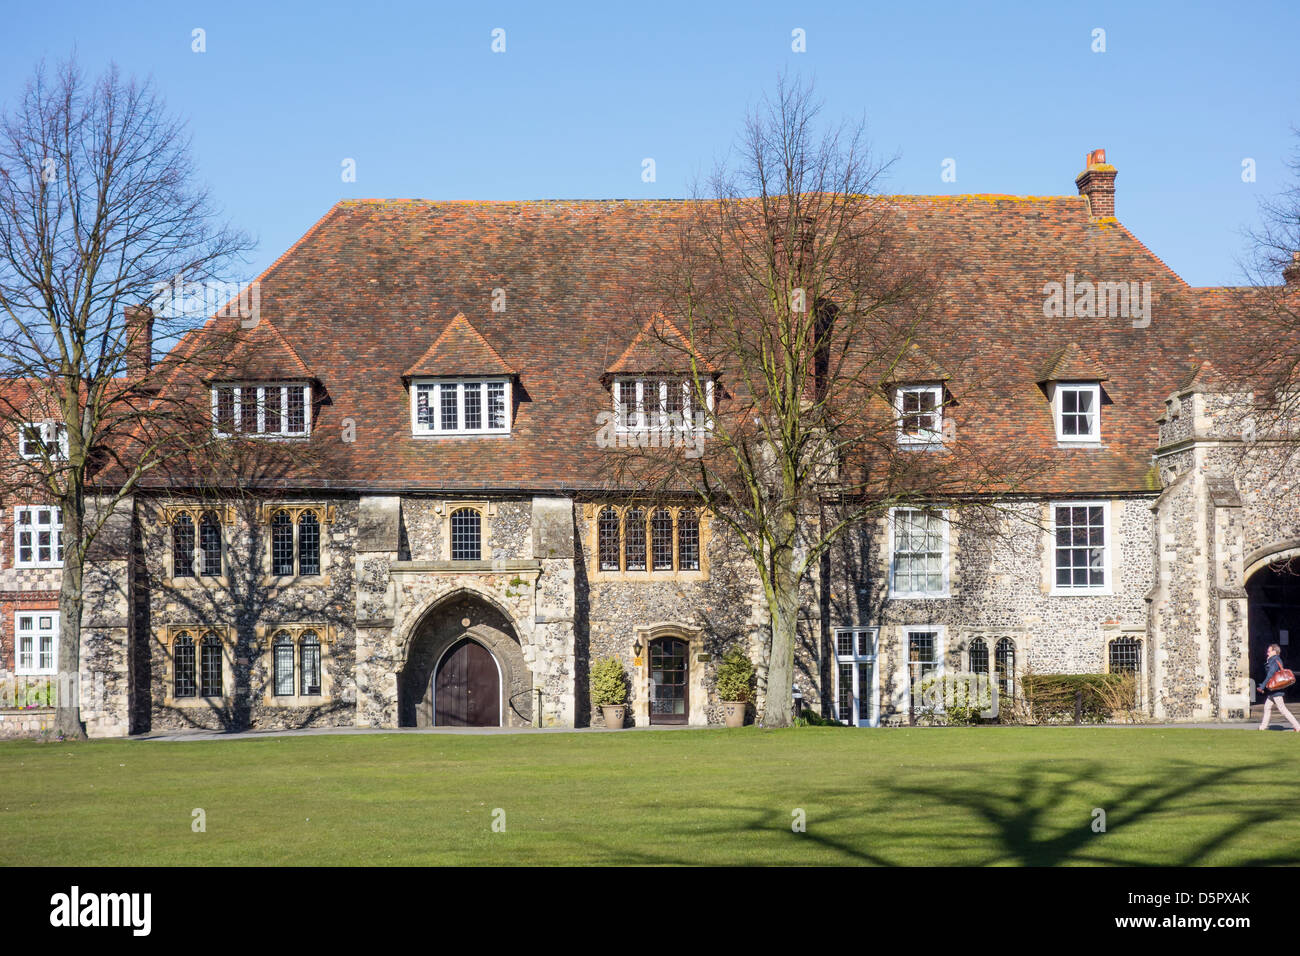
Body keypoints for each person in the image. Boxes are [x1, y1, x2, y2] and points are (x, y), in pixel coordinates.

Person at [1258, 644, 1300, 731]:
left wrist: (1262, 686)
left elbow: (1271, 673)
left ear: (1274, 651)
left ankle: (1297, 726)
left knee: (1282, 709)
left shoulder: (1275, 660)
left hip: (1276, 690)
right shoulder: (1272, 660)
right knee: (1267, 707)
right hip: (1273, 690)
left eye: (1269, 651)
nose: (1267, 653)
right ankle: (1263, 727)